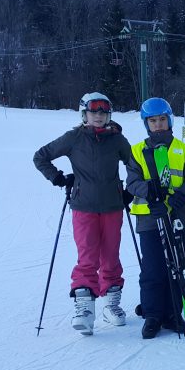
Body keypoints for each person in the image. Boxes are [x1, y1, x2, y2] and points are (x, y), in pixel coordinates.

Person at [33, 92, 132, 335]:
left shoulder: (117, 139)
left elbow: (135, 165)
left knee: (110, 255)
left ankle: (111, 304)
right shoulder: (74, 138)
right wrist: (57, 177)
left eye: (103, 112)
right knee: (87, 256)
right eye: (93, 112)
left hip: (112, 207)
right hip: (83, 207)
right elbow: (41, 156)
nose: (98, 116)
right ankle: (85, 309)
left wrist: (131, 191)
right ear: (84, 113)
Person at [125, 98, 185, 338]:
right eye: (152, 121)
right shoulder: (137, 151)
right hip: (149, 219)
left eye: (161, 120)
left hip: (179, 217)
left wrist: (181, 196)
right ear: (146, 124)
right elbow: (132, 182)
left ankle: (173, 313)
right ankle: (153, 314)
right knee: (153, 268)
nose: (158, 125)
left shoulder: (183, 150)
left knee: (177, 266)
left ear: (169, 120)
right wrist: (147, 191)